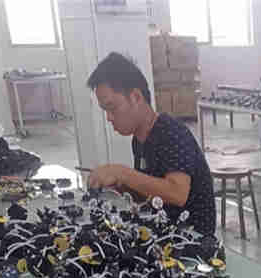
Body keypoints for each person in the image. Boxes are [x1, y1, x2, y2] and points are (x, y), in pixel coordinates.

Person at [86, 52, 216, 236]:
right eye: (105, 110)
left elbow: (177, 193)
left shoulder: (171, 133)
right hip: (162, 231)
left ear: (136, 97)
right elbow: (151, 192)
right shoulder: (139, 140)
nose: (109, 118)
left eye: (112, 108)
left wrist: (121, 173)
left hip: (191, 240)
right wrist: (121, 186)